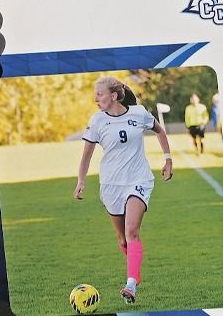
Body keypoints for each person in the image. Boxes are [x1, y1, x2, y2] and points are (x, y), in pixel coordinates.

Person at [74, 76, 174, 305]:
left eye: (99, 94)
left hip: (139, 179)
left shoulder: (139, 114)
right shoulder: (97, 120)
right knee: (123, 238)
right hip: (111, 184)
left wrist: (168, 160)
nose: (95, 98)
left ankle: (130, 285)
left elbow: (160, 131)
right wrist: (81, 181)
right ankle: (135, 270)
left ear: (114, 96)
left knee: (132, 231)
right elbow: (87, 154)